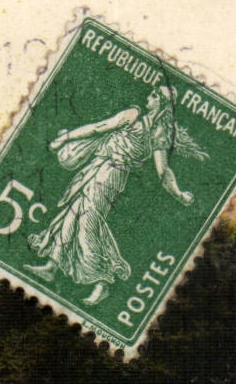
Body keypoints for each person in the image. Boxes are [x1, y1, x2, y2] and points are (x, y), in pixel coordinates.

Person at [26, 84, 201, 306]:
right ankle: (52, 266)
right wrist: (67, 138)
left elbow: (163, 170)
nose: (150, 95)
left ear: (163, 104)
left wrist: (178, 193)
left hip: (111, 175)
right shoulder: (135, 116)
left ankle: (101, 282)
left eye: (155, 95)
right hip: (97, 167)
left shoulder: (157, 132)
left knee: (88, 222)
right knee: (73, 213)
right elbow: (99, 127)